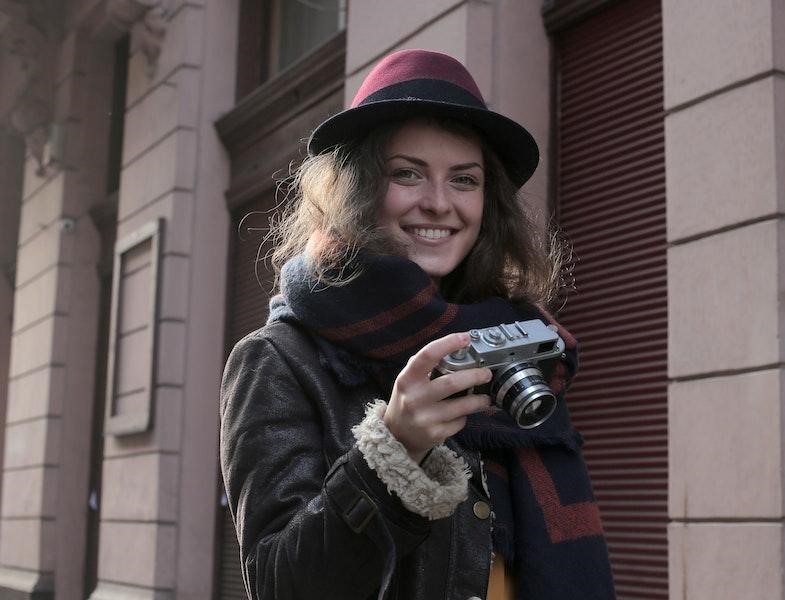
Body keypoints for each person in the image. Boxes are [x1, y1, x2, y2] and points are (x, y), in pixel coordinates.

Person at [219, 49, 616, 600]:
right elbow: (279, 584)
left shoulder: (512, 340)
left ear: (488, 201)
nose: (437, 203)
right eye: (407, 174)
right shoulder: (277, 359)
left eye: (464, 180)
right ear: (357, 191)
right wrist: (393, 452)